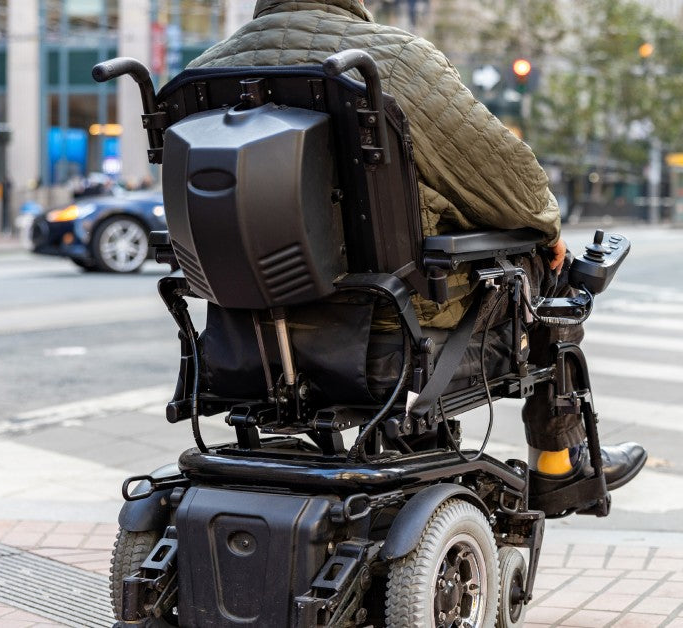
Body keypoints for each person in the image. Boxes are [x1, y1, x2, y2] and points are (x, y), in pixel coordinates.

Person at [188, 0, 646, 510]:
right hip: (392, 331)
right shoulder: (394, 60)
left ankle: (426, 447)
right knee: (543, 269)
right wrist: (549, 234)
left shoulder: (201, 72)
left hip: (241, 339)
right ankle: (560, 463)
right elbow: (510, 181)